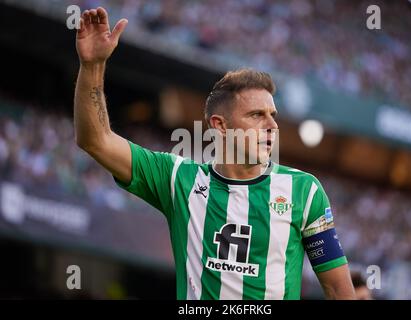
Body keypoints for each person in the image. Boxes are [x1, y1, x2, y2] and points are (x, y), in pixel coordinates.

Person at [74, 7, 355, 300]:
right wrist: (92, 66)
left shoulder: (304, 191)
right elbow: (96, 140)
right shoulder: (176, 179)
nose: (272, 125)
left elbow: (338, 289)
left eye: (273, 115)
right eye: (257, 115)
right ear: (220, 125)